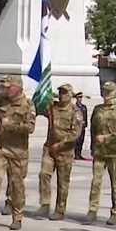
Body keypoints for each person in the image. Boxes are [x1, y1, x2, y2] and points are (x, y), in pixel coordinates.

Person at [0, 79, 36, 230]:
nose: (7, 90)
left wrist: (11, 125)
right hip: (1, 148)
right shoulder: (1, 100)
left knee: (17, 187)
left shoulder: (27, 105)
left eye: (10, 88)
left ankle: (17, 216)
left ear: (18, 88)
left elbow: (30, 127)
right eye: (6, 87)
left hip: (18, 152)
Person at [39, 84, 82, 220]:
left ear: (70, 94)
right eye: (60, 92)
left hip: (64, 151)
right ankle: (45, 203)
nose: (62, 95)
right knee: (44, 174)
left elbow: (75, 133)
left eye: (64, 92)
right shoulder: (53, 107)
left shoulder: (75, 112)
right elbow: (39, 105)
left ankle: (60, 209)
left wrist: (61, 144)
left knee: (63, 182)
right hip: (49, 148)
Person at [87, 81, 116, 225]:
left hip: (114, 153)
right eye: (104, 92)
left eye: (109, 92)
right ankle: (92, 210)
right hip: (99, 153)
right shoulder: (97, 110)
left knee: (115, 184)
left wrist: (107, 137)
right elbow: (92, 130)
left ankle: (115, 212)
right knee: (96, 182)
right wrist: (93, 147)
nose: (106, 95)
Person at [73, 91, 88, 160]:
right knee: (77, 140)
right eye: (79, 97)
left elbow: (85, 116)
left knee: (81, 140)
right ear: (76, 98)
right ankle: (76, 154)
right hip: (76, 126)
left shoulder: (84, 107)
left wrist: (85, 124)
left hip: (82, 126)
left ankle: (79, 153)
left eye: (81, 97)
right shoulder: (74, 107)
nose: (80, 99)